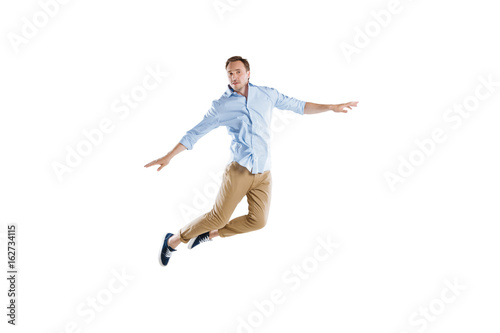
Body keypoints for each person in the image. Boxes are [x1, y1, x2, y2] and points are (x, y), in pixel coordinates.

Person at [144, 56, 358, 266]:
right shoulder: (221, 106)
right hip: (239, 171)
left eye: (238, 72)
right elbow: (195, 133)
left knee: (258, 221)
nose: (234, 76)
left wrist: (331, 106)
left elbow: (299, 106)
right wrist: (168, 156)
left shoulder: (267, 95)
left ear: (248, 74)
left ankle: (209, 235)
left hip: (264, 172)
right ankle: (172, 241)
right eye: (230, 73)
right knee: (218, 217)